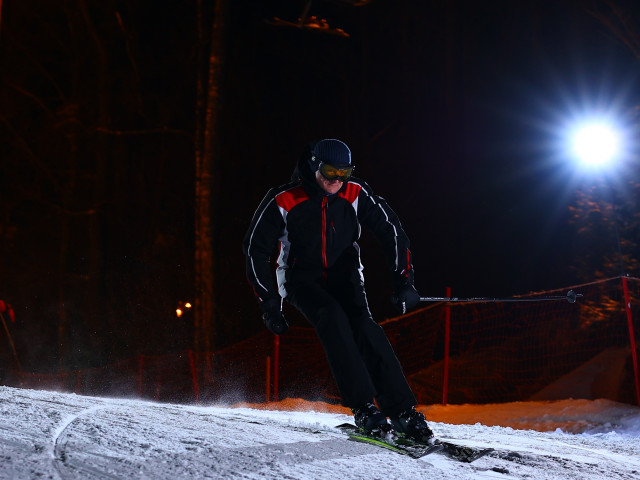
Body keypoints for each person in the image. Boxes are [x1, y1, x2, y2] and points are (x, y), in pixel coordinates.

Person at [242, 138, 434, 443]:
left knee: (364, 326)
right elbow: (255, 249)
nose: (337, 180)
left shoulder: (355, 192)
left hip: (344, 275)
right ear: (315, 166)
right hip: (299, 278)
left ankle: (403, 411)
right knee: (331, 317)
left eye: (344, 172)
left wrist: (404, 281)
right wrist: (269, 302)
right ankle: (364, 409)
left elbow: (391, 230)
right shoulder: (282, 198)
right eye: (331, 171)